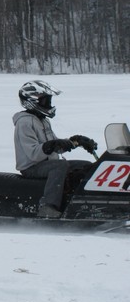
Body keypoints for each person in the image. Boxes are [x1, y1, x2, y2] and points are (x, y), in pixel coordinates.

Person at [13, 80, 97, 218]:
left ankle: (79, 203)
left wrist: (76, 141)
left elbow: (56, 147)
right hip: (31, 167)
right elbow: (33, 154)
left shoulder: (43, 120)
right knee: (60, 166)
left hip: (48, 163)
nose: (49, 104)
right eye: (45, 100)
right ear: (32, 101)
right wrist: (51, 145)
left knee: (85, 165)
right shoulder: (24, 123)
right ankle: (48, 207)